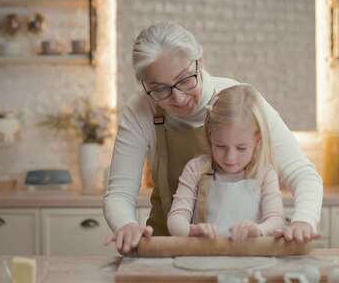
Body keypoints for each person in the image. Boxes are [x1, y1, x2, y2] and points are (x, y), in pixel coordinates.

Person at [104, 22, 323, 253]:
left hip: (246, 250)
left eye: (185, 79)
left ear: (200, 62)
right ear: (144, 84)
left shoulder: (241, 103)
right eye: (160, 89)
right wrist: (126, 224)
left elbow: (302, 173)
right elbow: (119, 192)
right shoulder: (141, 109)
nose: (178, 98)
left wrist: (303, 221)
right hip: (167, 247)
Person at [167, 85, 284, 241]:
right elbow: (175, 220)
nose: (230, 158)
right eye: (220, 146)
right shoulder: (196, 169)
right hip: (204, 260)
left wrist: (259, 229)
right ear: (210, 136)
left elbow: (276, 220)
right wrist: (191, 230)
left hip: (251, 262)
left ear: (257, 140)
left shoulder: (265, 174)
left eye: (241, 148)